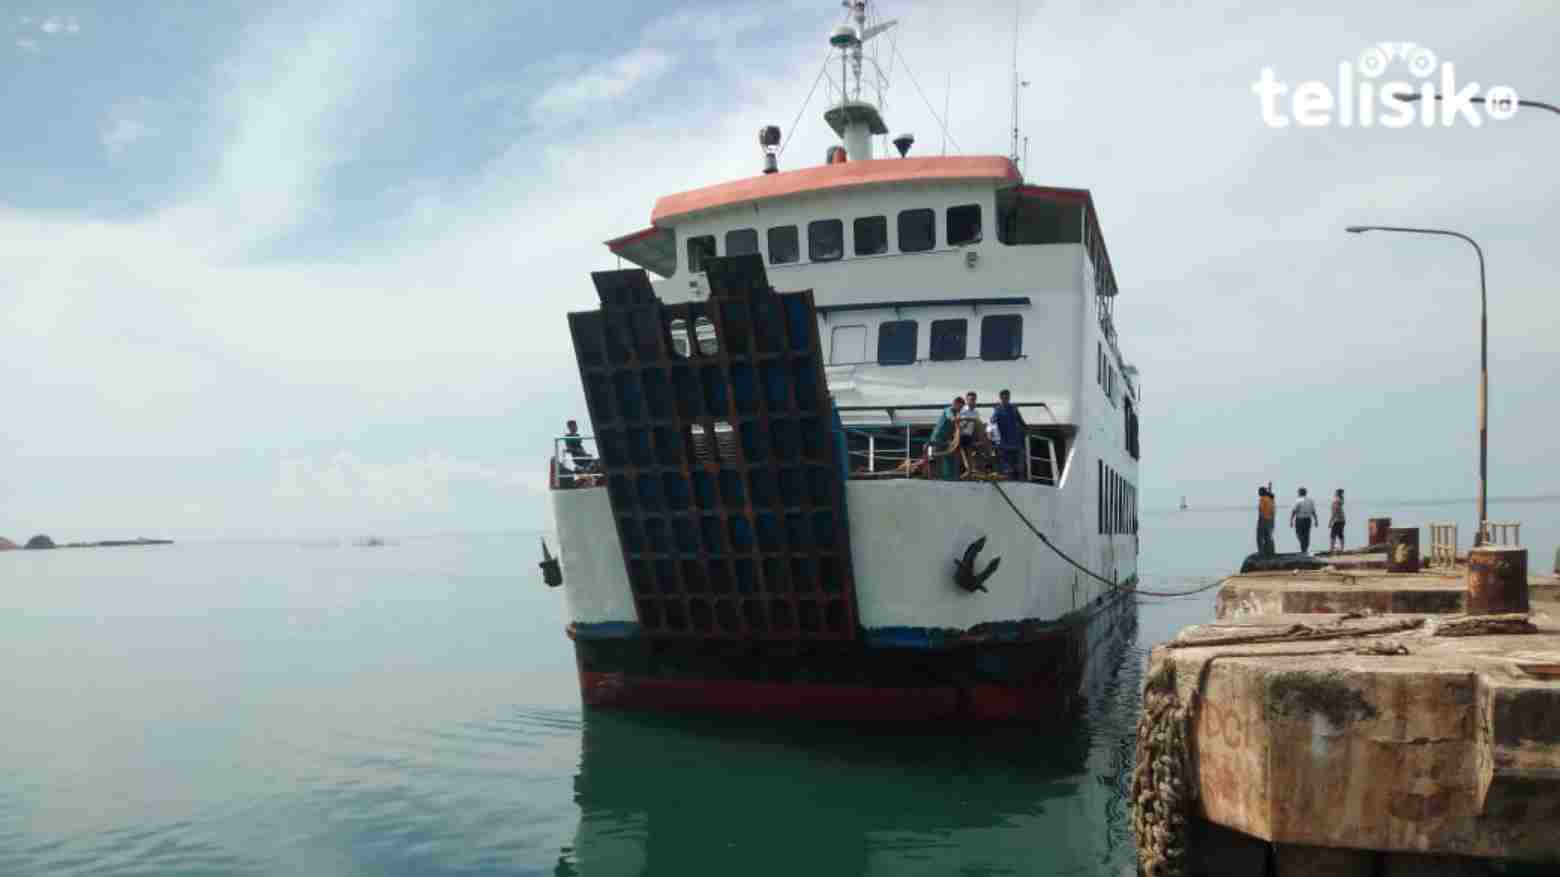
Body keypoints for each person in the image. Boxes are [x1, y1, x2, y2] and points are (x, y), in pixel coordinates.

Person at [990, 389, 1028, 480]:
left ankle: (1019, 479)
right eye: (1004, 397)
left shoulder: (1014, 408)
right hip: (1004, 443)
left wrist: (1026, 429)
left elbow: (1021, 420)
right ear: (1000, 398)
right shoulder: (997, 410)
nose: (1006, 399)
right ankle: (1008, 479)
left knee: (1019, 465)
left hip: (1016, 442)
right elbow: (992, 422)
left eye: (1007, 397)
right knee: (1006, 465)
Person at [928, 396, 964, 480]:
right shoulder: (948, 410)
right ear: (955, 403)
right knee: (933, 457)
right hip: (937, 438)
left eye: (962, 408)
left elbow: (956, 426)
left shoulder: (957, 413)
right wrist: (958, 420)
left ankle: (948, 476)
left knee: (949, 455)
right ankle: (932, 476)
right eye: (960, 407)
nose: (960, 409)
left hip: (946, 439)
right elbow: (951, 418)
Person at [1291, 487, 1319, 554]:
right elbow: (1313, 511)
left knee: (1299, 534)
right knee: (1306, 535)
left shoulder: (1298, 501)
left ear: (1300, 493)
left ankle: (1303, 548)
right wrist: (1316, 520)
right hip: (1308, 520)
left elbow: (1294, 511)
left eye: (1298, 492)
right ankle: (1305, 549)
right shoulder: (1310, 501)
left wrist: (1291, 520)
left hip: (1300, 519)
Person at [1256, 486, 1276, 555]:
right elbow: (1272, 511)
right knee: (1268, 536)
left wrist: (1260, 520)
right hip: (1270, 520)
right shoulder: (1271, 499)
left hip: (1263, 519)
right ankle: (1270, 551)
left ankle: (1261, 552)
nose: (1258, 493)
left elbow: (1261, 510)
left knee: (1260, 537)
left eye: (1259, 491)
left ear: (1262, 492)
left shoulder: (1262, 499)